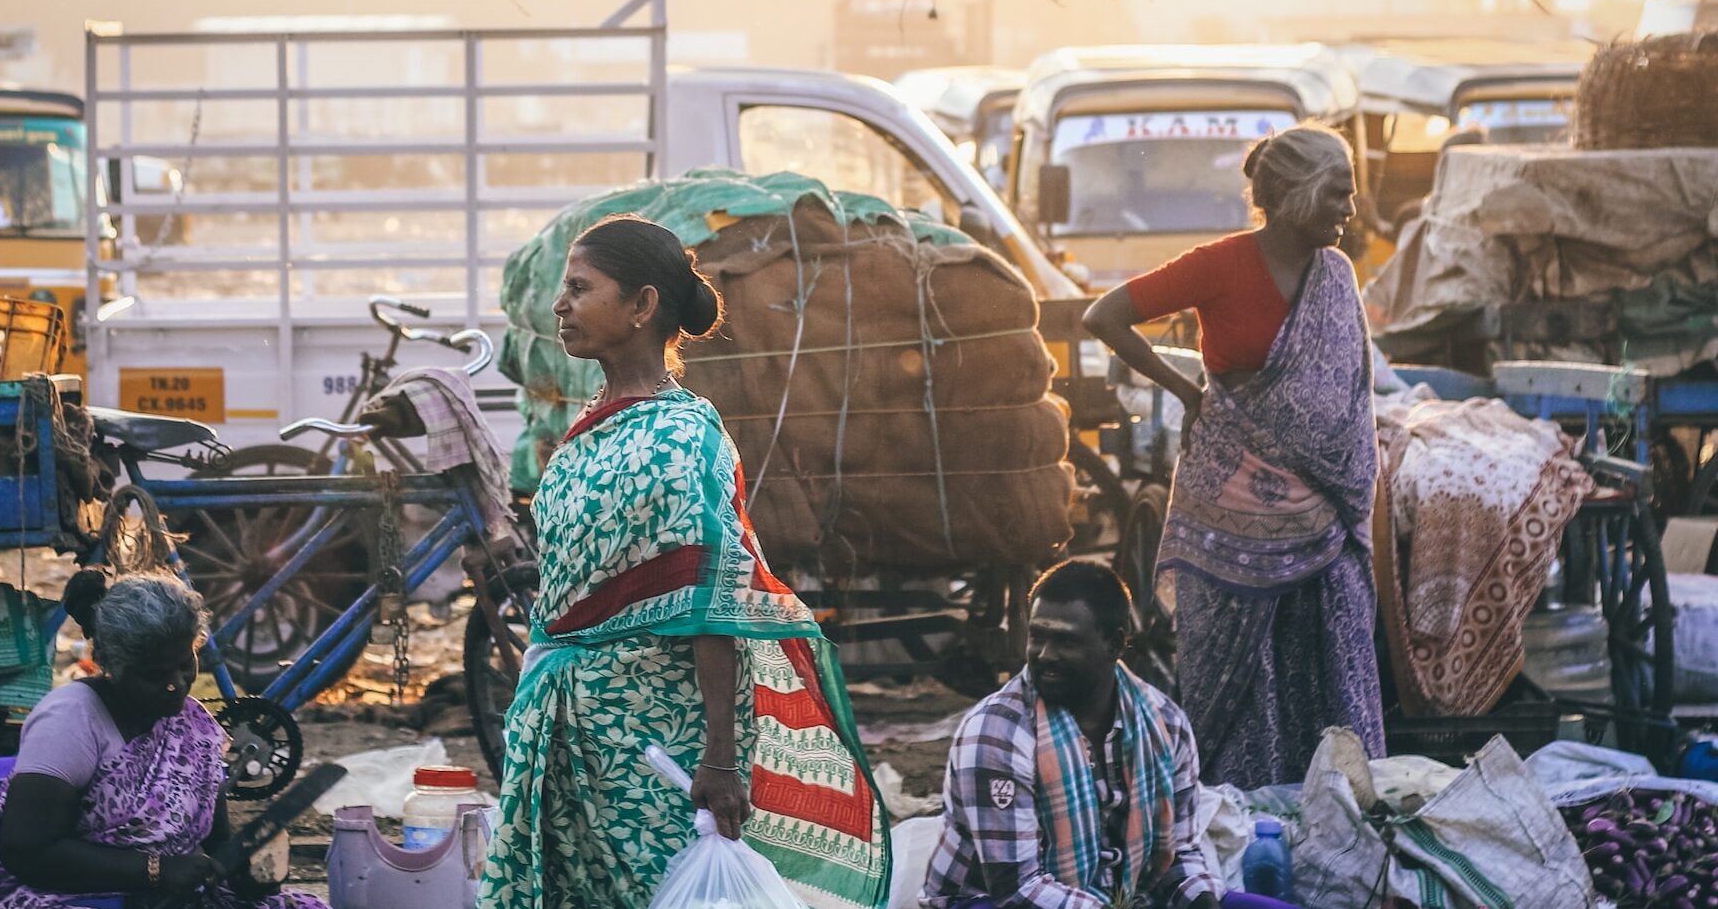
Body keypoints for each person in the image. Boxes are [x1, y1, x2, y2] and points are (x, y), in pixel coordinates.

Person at [478, 214, 892, 909]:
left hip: (655, 743)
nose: (559, 304)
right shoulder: (590, 428)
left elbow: (710, 600)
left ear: (642, 304)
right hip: (570, 729)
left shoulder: (679, 436)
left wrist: (721, 759)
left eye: (580, 288)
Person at [1081, 125, 1384, 789]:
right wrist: (1186, 390)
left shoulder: (1336, 275)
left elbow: (1348, 396)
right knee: (1239, 679)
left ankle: (1337, 804)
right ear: (1296, 192)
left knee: (1329, 663)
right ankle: (1242, 812)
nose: (1350, 209)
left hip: (1324, 512)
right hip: (1230, 506)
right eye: (1338, 192)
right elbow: (1104, 316)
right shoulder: (1219, 265)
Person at [926, 559, 1303, 909]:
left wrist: (1202, 900)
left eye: (1066, 641)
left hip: (1118, 898)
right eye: (1037, 636)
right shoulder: (996, 734)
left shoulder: (1166, 724)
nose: (1044, 654)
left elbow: (1178, 856)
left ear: (1115, 643)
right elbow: (1018, 891)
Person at [0, 572, 328, 909]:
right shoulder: (70, 720)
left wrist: (244, 875)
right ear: (112, 666)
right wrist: (155, 871)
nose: (176, 683)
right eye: (155, 674)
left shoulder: (193, 725)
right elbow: (27, 850)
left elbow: (216, 842)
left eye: (185, 664)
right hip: (52, 895)